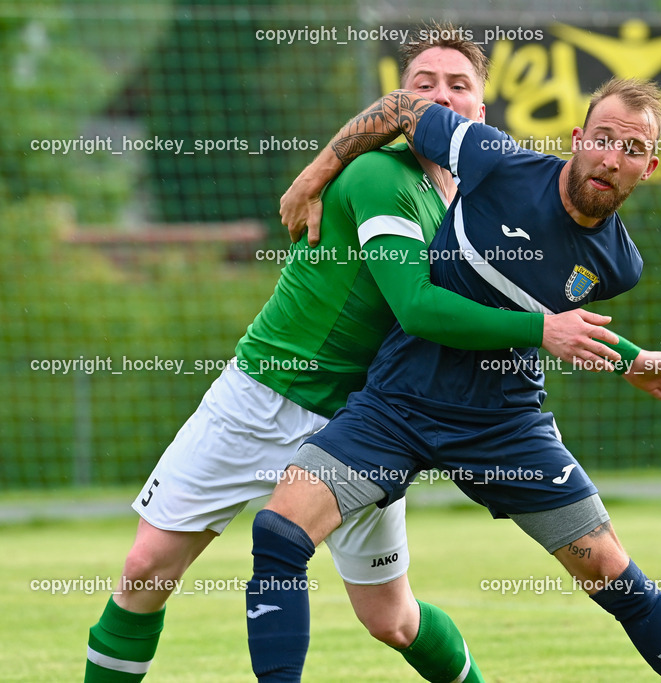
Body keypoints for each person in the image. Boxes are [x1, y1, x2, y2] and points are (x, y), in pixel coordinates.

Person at [84, 30, 632, 683]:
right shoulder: (380, 174)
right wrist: (313, 172)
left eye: (459, 85)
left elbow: (544, 304)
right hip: (264, 395)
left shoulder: (483, 206)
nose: (441, 95)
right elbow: (419, 308)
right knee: (147, 570)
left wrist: (633, 357)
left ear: (481, 114)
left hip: (363, 423)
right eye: (423, 83)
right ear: (401, 103)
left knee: (392, 619)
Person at [252, 77, 661, 682]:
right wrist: (311, 178)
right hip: (401, 400)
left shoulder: (620, 265)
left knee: (611, 573)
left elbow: (552, 318)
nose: (611, 157)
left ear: (647, 167)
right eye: (602, 138)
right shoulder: (496, 161)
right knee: (281, 530)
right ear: (578, 139)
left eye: (630, 150)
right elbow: (398, 107)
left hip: (504, 424)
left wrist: (629, 358)